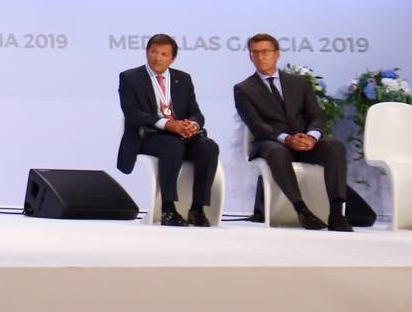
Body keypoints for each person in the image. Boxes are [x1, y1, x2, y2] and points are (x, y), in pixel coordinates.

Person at [232, 33, 351, 231]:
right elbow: (256, 125)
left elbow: (317, 116)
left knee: (334, 146)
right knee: (278, 152)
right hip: (270, 142)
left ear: (277, 54)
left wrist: (312, 137)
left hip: (304, 141)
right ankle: (302, 211)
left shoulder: (299, 83)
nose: (260, 57)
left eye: (265, 52)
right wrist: (286, 139)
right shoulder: (243, 89)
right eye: (255, 53)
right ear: (250, 56)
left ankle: (337, 214)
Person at [116, 33, 219, 226]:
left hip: (180, 135)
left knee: (209, 147)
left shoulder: (183, 79)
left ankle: (197, 209)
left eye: (164, 54)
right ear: (146, 53)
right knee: (172, 145)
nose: (157, 57)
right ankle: (168, 209)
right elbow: (132, 113)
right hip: (148, 135)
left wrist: (192, 125)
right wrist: (168, 124)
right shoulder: (130, 77)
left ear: (172, 58)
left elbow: (196, 113)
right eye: (153, 52)